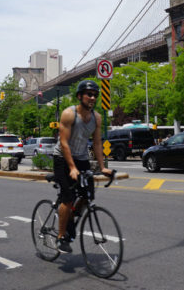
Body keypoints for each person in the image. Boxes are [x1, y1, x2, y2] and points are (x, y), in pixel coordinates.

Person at [52, 80, 113, 254]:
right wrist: (72, 168)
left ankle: (71, 217)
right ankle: (61, 237)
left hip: (82, 158)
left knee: (88, 195)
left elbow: (96, 143)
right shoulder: (69, 114)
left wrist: (102, 167)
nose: (92, 97)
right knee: (68, 197)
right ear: (80, 96)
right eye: (89, 94)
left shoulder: (97, 118)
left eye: (95, 95)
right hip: (62, 158)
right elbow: (63, 143)